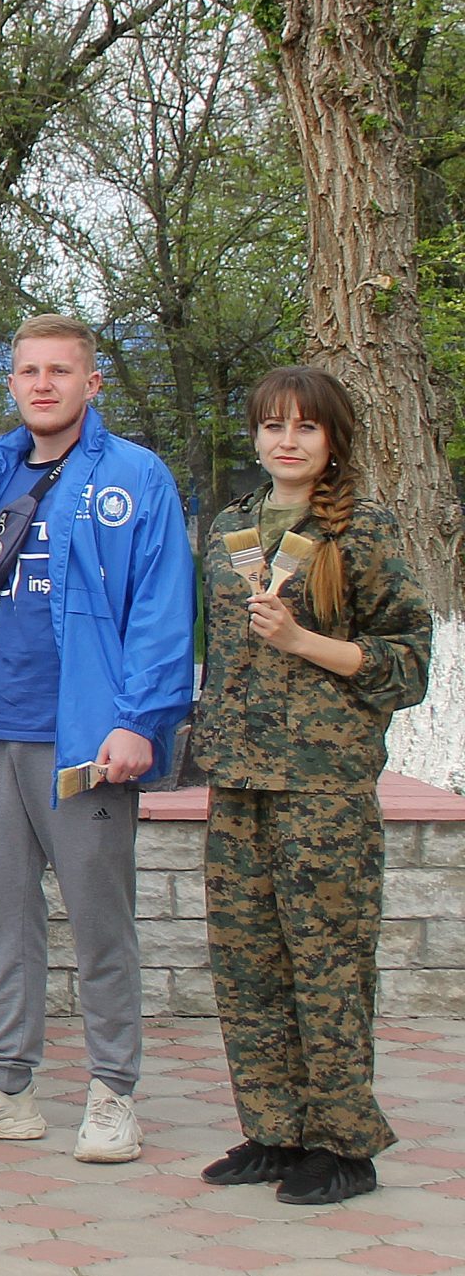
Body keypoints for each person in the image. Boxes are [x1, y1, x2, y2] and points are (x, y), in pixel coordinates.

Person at [0, 314, 195, 1164]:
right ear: (12, 383)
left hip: (86, 740)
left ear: (91, 382)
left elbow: (162, 611)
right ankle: (6, 1085)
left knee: (100, 918)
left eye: (59, 371)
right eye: (28, 370)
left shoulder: (134, 478)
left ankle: (113, 1092)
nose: (42, 384)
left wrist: (140, 720)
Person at [193, 367, 431, 1203]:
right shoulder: (230, 526)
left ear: (333, 439)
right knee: (247, 961)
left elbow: (408, 661)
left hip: (321, 783)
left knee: (326, 962)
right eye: (271, 425)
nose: (285, 440)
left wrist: (304, 640)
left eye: (304, 427)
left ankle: (343, 1144)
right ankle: (275, 1129)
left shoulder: (362, 530)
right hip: (241, 776)